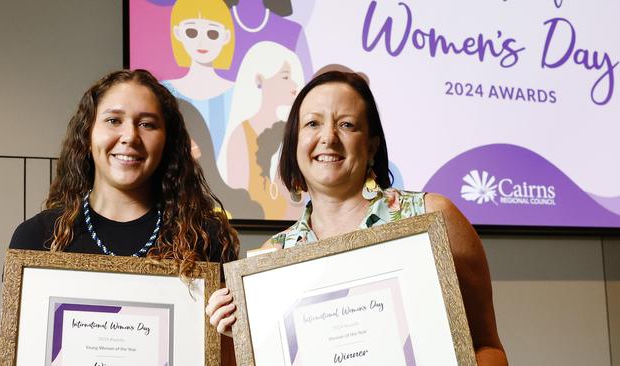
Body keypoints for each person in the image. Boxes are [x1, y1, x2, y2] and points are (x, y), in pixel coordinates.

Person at [206, 71, 508, 365]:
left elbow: (487, 348)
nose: (328, 138)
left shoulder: (432, 217)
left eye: (347, 125)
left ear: (371, 146)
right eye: (312, 123)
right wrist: (239, 339)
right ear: (295, 143)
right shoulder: (271, 262)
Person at [10, 69, 239, 279]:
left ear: (167, 142)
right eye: (113, 121)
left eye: (147, 124)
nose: (130, 136)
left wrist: (226, 323)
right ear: (87, 135)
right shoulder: (36, 238)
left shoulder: (207, 238)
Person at [218, 41, 304, 218]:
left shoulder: (295, 132)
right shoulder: (241, 135)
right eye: (285, 77)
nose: (294, 84)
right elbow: (240, 199)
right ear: (260, 79)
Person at [163, 0, 236, 159]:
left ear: (226, 36)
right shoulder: (163, 92)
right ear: (178, 32)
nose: (202, 42)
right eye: (192, 32)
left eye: (212, 33)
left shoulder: (238, 92)